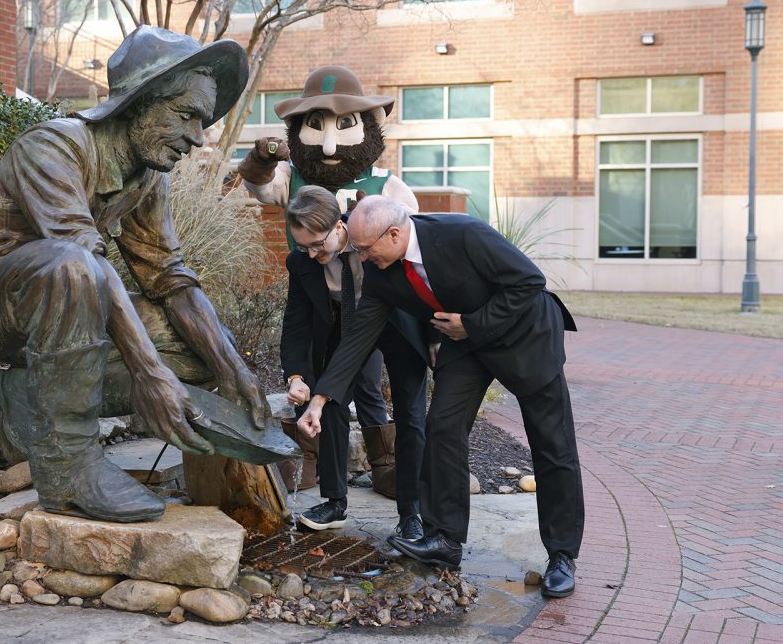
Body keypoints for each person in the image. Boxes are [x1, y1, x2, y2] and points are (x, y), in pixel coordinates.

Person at [0, 26, 269, 523]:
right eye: (186, 115)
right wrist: (149, 372)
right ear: (138, 103)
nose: (198, 138)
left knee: (199, 347)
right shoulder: (54, 145)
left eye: (202, 122)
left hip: (63, 306)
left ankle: (26, 395)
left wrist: (233, 369)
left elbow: (171, 279)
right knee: (71, 264)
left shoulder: (146, 176)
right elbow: (81, 259)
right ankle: (68, 466)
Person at [296, 197, 583, 599]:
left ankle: (562, 555)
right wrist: (321, 400)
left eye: (363, 249)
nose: (358, 256)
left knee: (552, 446)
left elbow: (529, 282)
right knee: (443, 425)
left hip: (525, 338)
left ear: (394, 234)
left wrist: (472, 323)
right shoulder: (382, 271)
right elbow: (358, 338)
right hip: (466, 346)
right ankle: (444, 539)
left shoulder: (462, 233)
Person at [238, 65, 419, 496]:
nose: (331, 142)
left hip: (371, 304)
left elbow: (411, 233)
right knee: (317, 381)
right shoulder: (299, 217)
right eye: (317, 126)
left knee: (367, 382)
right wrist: (262, 157)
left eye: (344, 124)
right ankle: (312, 461)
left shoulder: (384, 187)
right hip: (322, 301)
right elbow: (259, 187)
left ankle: (386, 461)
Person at [281, 185, 429, 540]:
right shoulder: (302, 262)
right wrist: (295, 376)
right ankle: (334, 502)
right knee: (328, 404)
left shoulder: (371, 237)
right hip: (346, 334)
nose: (312, 253)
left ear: (338, 227)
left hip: (397, 329)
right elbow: (296, 321)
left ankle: (411, 513)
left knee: (410, 415)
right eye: (303, 246)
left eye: (317, 244)